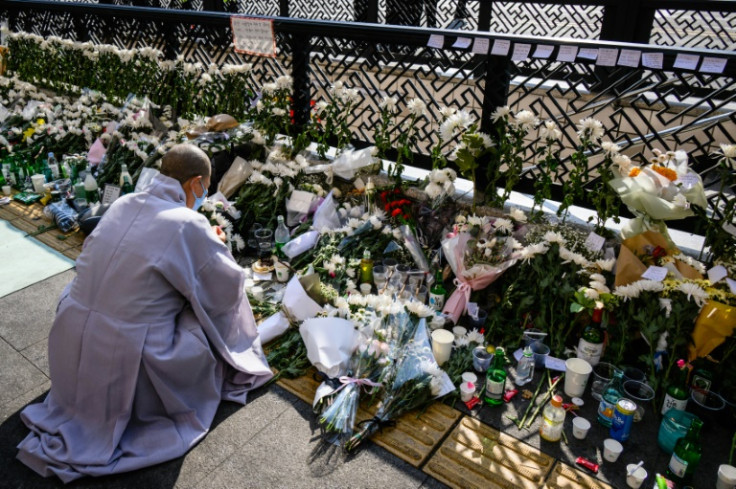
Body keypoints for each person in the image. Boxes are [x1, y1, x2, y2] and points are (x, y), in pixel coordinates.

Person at [16, 144, 273, 483]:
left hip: (69, 332)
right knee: (203, 310)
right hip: (125, 353)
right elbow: (222, 286)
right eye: (205, 189)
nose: (203, 196)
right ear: (196, 183)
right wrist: (218, 244)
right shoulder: (187, 222)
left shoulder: (124, 202)